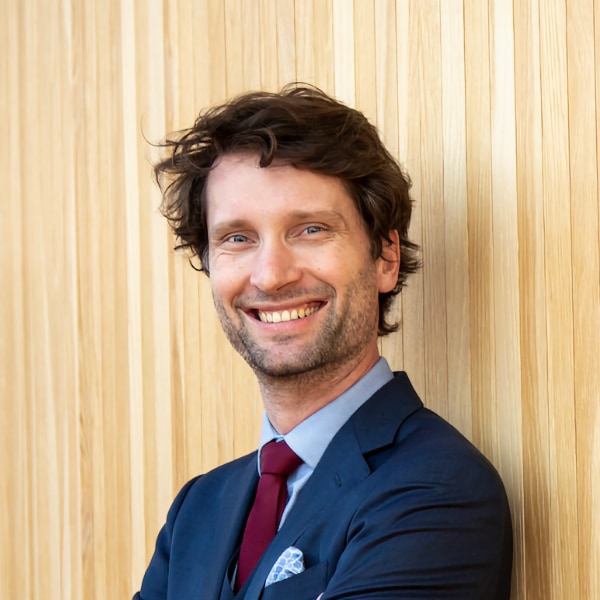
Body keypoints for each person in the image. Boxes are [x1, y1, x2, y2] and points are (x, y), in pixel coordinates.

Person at [134, 85, 512, 600]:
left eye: (310, 229)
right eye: (238, 238)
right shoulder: (197, 510)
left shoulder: (436, 491)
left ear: (385, 258)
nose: (270, 276)